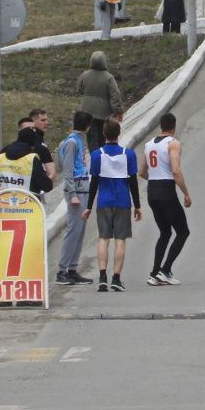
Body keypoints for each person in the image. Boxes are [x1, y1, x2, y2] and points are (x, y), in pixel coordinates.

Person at [80, 118, 142, 292]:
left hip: (104, 201)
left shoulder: (97, 155)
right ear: (118, 133)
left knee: (103, 238)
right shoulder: (128, 154)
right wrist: (137, 205)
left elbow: (94, 183)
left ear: (104, 134)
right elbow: (133, 182)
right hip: (122, 201)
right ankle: (116, 278)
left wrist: (89, 206)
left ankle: (101, 277)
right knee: (120, 240)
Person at [142, 112, 192, 285]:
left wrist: (155, 180)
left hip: (152, 191)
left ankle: (154, 273)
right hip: (166, 190)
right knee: (183, 231)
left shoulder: (148, 145)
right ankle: (165, 269)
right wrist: (185, 193)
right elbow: (176, 170)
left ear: (160, 126)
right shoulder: (173, 143)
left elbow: (142, 172)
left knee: (165, 232)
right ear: (174, 126)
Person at [56, 112, 95, 285]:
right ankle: (62, 270)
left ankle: (72, 268)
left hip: (83, 188)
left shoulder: (79, 140)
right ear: (87, 125)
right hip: (76, 191)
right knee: (73, 231)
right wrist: (72, 194)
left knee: (80, 231)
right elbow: (68, 170)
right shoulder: (72, 142)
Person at [76, 50, 125, 150]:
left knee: (92, 140)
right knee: (103, 138)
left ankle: (94, 159)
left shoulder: (84, 75)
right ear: (104, 62)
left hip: (87, 113)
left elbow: (79, 90)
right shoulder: (109, 78)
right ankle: (103, 158)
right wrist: (118, 111)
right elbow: (115, 96)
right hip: (104, 115)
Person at [0, 125, 54, 194]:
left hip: (4, 200)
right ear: (32, 146)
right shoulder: (31, 160)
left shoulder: (1, 157)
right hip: (27, 201)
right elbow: (46, 186)